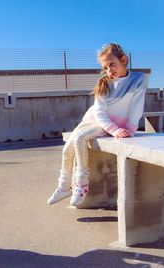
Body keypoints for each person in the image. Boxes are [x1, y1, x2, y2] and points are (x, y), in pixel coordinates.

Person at [47, 43, 147, 207]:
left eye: (112, 64)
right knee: (67, 149)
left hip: (110, 125)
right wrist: (114, 130)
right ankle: (64, 187)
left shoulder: (138, 79)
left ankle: (81, 184)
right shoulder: (104, 84)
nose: (109, 70)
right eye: (105, 67)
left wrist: (129, 128)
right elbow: (99, 113)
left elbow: (137, 106)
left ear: (124, 59)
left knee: (80, 139)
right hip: (96, 120)